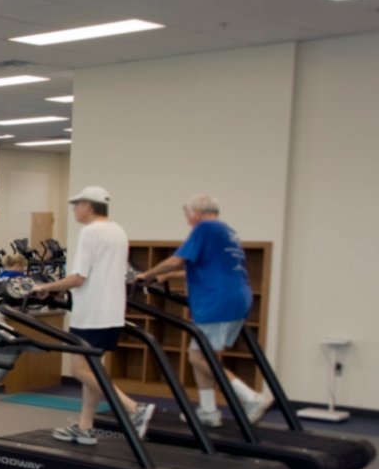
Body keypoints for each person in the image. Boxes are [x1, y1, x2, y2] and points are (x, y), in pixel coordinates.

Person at [135, 195, 274, 426]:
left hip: (217, 301)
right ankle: (209, 411)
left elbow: (176, 260)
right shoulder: (227, 231)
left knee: (199, 357)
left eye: (187, 215)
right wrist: (167, 276)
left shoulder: (205, 228)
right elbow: (209, 268)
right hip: (237, 298)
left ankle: (251, 398)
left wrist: (145, 275)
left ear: (197, 212)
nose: (187, 220)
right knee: (199, 354)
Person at [30, 186, 152, 444]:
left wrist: (44, 287)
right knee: (93, 369)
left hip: (91, 314)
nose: (75, 209)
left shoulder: (90, 232)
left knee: (80, 370)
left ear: (90, 206)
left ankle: (134, 409)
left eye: (78, 204)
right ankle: (85, 426)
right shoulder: (118, 231)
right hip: (112, 313)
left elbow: (78, 278)